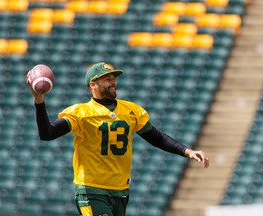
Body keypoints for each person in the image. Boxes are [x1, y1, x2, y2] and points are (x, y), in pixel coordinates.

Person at [26, 62, 209, 216]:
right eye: (107, 78)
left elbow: (157, 138)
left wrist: (187, 151)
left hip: (120, 191)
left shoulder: (131, 111)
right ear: (93, 85)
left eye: (113, 78)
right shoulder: (81, 113)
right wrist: (39, 100)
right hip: (92, 189)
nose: (113, 82)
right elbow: (47, 134)